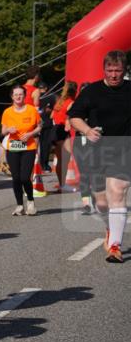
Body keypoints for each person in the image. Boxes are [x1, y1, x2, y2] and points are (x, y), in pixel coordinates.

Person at [67, 50, 131, 263]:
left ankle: (115, 246)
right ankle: (109, 226)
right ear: (104, 69)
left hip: (125, 148)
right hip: (99, 149)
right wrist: (86, 131)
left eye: (118, 71)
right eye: (110, 70)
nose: (114, 75)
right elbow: (74, 116)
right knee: (101, 201)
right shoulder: (92, 91)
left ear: (125, 70)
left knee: (118, 190)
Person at [1, 84, 42, 215]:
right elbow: (2, 131)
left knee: (25, 178)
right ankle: (19, 205)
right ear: (12, 96)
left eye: (21, 94)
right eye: (16, 94)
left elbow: (40, 126)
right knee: (16, 178)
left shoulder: (31, 110)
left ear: (24, 96)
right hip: (13, 147)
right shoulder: (7, 112)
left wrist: (30, 134)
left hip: (29, 147)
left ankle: (30, 201)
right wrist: (8, 130)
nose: (18, 96)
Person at [52, 81, 77, 191]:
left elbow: (52, 116)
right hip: (62, 131)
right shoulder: (71, 102)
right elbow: (69, 119)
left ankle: (61, 184)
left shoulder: (59, 102)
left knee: (60, 159)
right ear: (74, 91)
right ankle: (62, 185)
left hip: (55, 131)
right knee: (65, 159)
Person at [37, 80, 57, 172]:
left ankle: (44, 164)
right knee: (43, 145)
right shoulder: (39, 96)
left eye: (42, 88)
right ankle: (42, 165)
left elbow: (55, 108)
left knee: (45, 145)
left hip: (46, 124)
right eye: (40, 88)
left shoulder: (50, 97)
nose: (41, 90)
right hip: (39, 124)